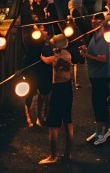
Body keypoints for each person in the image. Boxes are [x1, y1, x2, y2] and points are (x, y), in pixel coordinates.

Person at [40, 34, 74, 164]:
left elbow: (47, 60)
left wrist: (41, 56)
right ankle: (68, 153)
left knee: (53, 125)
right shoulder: (67, 54)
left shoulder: (57, 58)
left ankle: (53, 155)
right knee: (67, 121)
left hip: (59, 90)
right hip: (67, 88)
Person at [83, 13, 110, 145]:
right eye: (93, 21)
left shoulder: (102, 37)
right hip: (95, 75)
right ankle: (101, 129)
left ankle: (103, 131)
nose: (93, 23)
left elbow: (103, 59)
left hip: (101, 75)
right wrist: (85, 51)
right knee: (98, 103)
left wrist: (86, 55)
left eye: (97, 22)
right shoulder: (94, 36)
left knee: (99, 103)